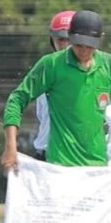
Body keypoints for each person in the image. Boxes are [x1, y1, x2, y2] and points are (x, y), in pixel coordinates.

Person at [0, 10, 111, 182]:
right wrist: (11, 147)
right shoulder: (52, 65)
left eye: (89, 46)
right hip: (57, 165)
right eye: (78, 45)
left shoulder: (109, 66)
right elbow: (17, 99)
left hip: (96, 166)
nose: (83, 51)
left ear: (100, 40)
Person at [32, 11, 76, 161]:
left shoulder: (99, 71)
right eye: (59, 40)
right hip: (46, 155)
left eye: (69, 40)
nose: (64, 45)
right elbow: (41, 115)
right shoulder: (45, 69)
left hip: (79, 158)